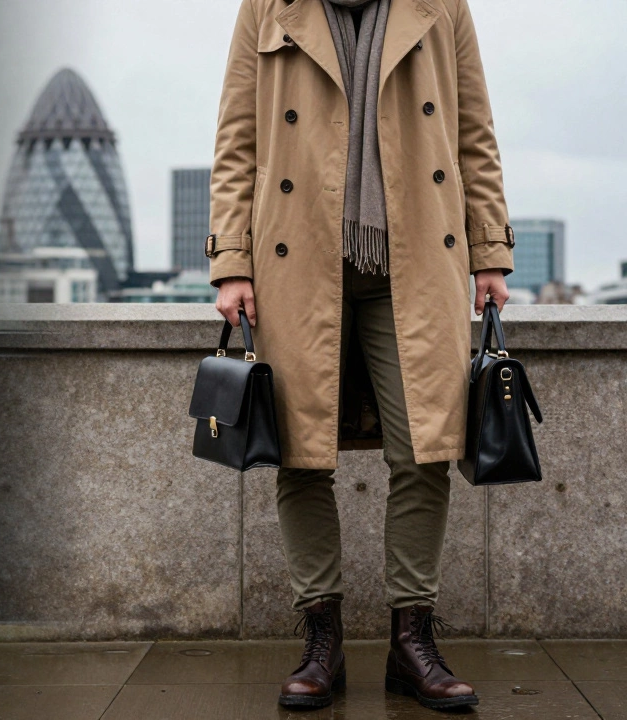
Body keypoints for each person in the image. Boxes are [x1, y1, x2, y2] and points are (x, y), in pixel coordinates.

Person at [209, 0, 510, 711]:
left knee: (425, 448)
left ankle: (413, 639)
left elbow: (474, 132)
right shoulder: (269, 7)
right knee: (302, 454)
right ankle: (322, 639)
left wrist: (491, 249)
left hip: (415, 261)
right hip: (296, 262)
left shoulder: (440, 6)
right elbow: (237, 141)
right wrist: (231, 262)